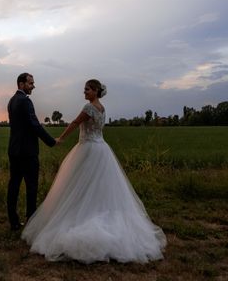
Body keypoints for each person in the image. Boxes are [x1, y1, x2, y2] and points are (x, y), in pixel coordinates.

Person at [21, 79, 167, 263]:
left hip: (88, 148)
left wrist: (61, 138)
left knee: (79, 185)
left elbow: (75, 123)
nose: (84, 92)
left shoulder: (89, 108)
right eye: (84, 89)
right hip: (102, 149)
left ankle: (81, 218)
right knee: (99, 187)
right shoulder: (102, 108)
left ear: (96, 91)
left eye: (87, 89)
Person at [7, 72, 57, 231]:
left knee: (14, 184)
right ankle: (31, 221)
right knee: (31, 186)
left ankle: (13, 221)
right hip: (28, 152)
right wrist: (51, 141)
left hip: (14, 150)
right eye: (30, 83)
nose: (33, 86)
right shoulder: (26, 102)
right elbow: (34, 125)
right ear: (21, 84)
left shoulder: (12, 101)